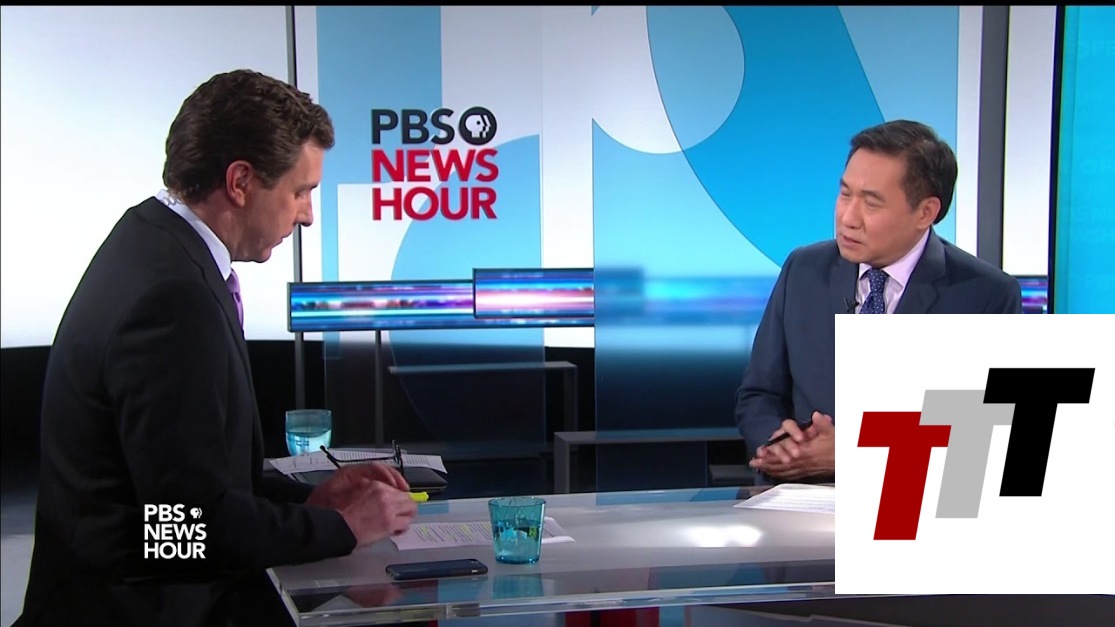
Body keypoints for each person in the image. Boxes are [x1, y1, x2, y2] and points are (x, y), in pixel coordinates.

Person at [17, 69, 418, 627]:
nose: (306, 215)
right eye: (300, 191)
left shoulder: (150, 240)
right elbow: (183, 531)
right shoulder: (173, 299)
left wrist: (309, 500)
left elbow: (193, 484)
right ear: (240, 181)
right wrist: (342, 527)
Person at [735, 120, 1023, 485]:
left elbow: (986, 438)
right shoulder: (804, 269)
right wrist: (781, 445)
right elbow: (759, 394)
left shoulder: (986, 296)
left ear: (925, 212)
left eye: (871, 203)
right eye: (845, 194)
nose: (847, 218)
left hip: (911, 502)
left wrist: (854, 454)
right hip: (798, 499)